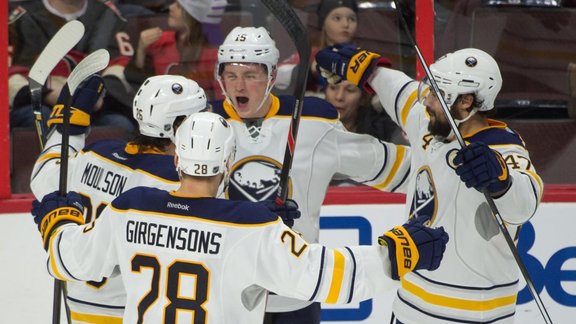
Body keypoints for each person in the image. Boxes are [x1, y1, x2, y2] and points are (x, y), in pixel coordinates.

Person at [31, 111, 450, 323]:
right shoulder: (250, 227)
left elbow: (72, 260)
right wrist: (397, 253)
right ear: (228, 161)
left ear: (177, 156)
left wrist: (59, 222)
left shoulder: (131, 206)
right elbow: (326, 275)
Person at [316, 44, 544, 323]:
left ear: (466, 102)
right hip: (410, 305)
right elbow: (400, 91)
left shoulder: (503, 149)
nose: (427, 100)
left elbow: (524, 204)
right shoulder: (431, 120)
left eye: (437, 94)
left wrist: (501, 181)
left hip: (475, 313)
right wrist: (366, 70)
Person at [212, 26, 412, 324]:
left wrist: (448, 163)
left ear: (270, 77)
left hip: (297, 291)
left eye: (251, 75)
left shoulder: (313, 125)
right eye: (231, 75)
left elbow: (403, 170)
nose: (239, 86)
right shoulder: (203, 124)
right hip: (225, 292)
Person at [30, 74, 208, 322]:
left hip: (80, 305)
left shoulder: (95, 154)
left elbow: (46, 175)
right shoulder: (181, 183)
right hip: (138, 312)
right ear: (181, 125)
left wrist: (67, 131)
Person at [8, 0, 136, 133]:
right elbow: (10, 74)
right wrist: (48, 93)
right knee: (39, 117)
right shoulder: (21, 18)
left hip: (94, 105)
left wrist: (94, 94)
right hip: (39, 101)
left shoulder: (108, 14)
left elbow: (120, 66)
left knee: (119, 124)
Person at [125, 0, 227, 101]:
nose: (170, 7)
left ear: (191, 15)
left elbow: (221, 99)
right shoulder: (158, 40)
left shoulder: (213, 54)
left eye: (178, 5)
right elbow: (138, 87)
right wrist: (141, 50)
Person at [324, 80, 406, 144]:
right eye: (333, 88)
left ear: (363, 98)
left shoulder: (384, 133)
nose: (339, 97)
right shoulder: (313, 127)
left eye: (350, 90)